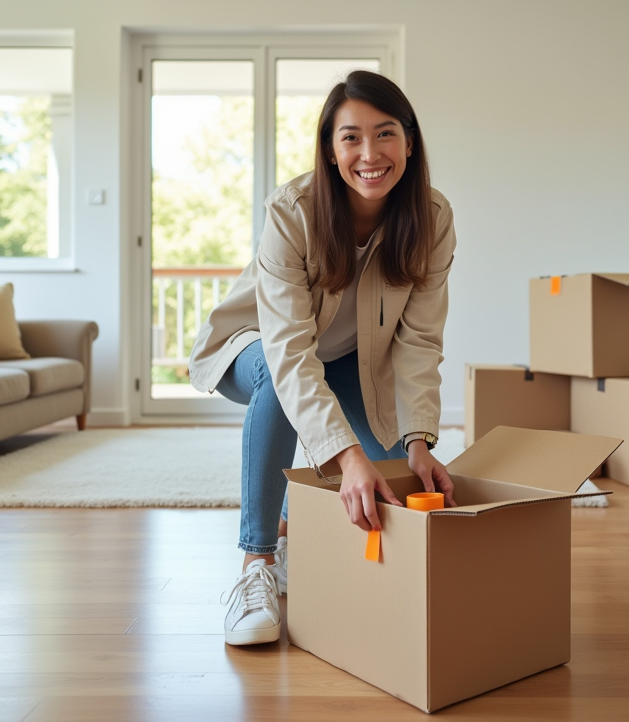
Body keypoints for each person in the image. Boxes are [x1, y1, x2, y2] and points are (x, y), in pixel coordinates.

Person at [187, 70, 457, 646]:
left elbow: (418, 340)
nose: (369, 154)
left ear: (409, 140)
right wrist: (344, 456)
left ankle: (288, 534)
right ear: (332, 151)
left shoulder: (432, 218)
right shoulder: (292, 211)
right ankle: (256, 564)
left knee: (393, 483)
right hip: (254, 348)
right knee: (293, 401)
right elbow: (288, 353)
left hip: (351, 362)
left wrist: (418, 441)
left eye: (384, 134)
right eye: (351, 137)